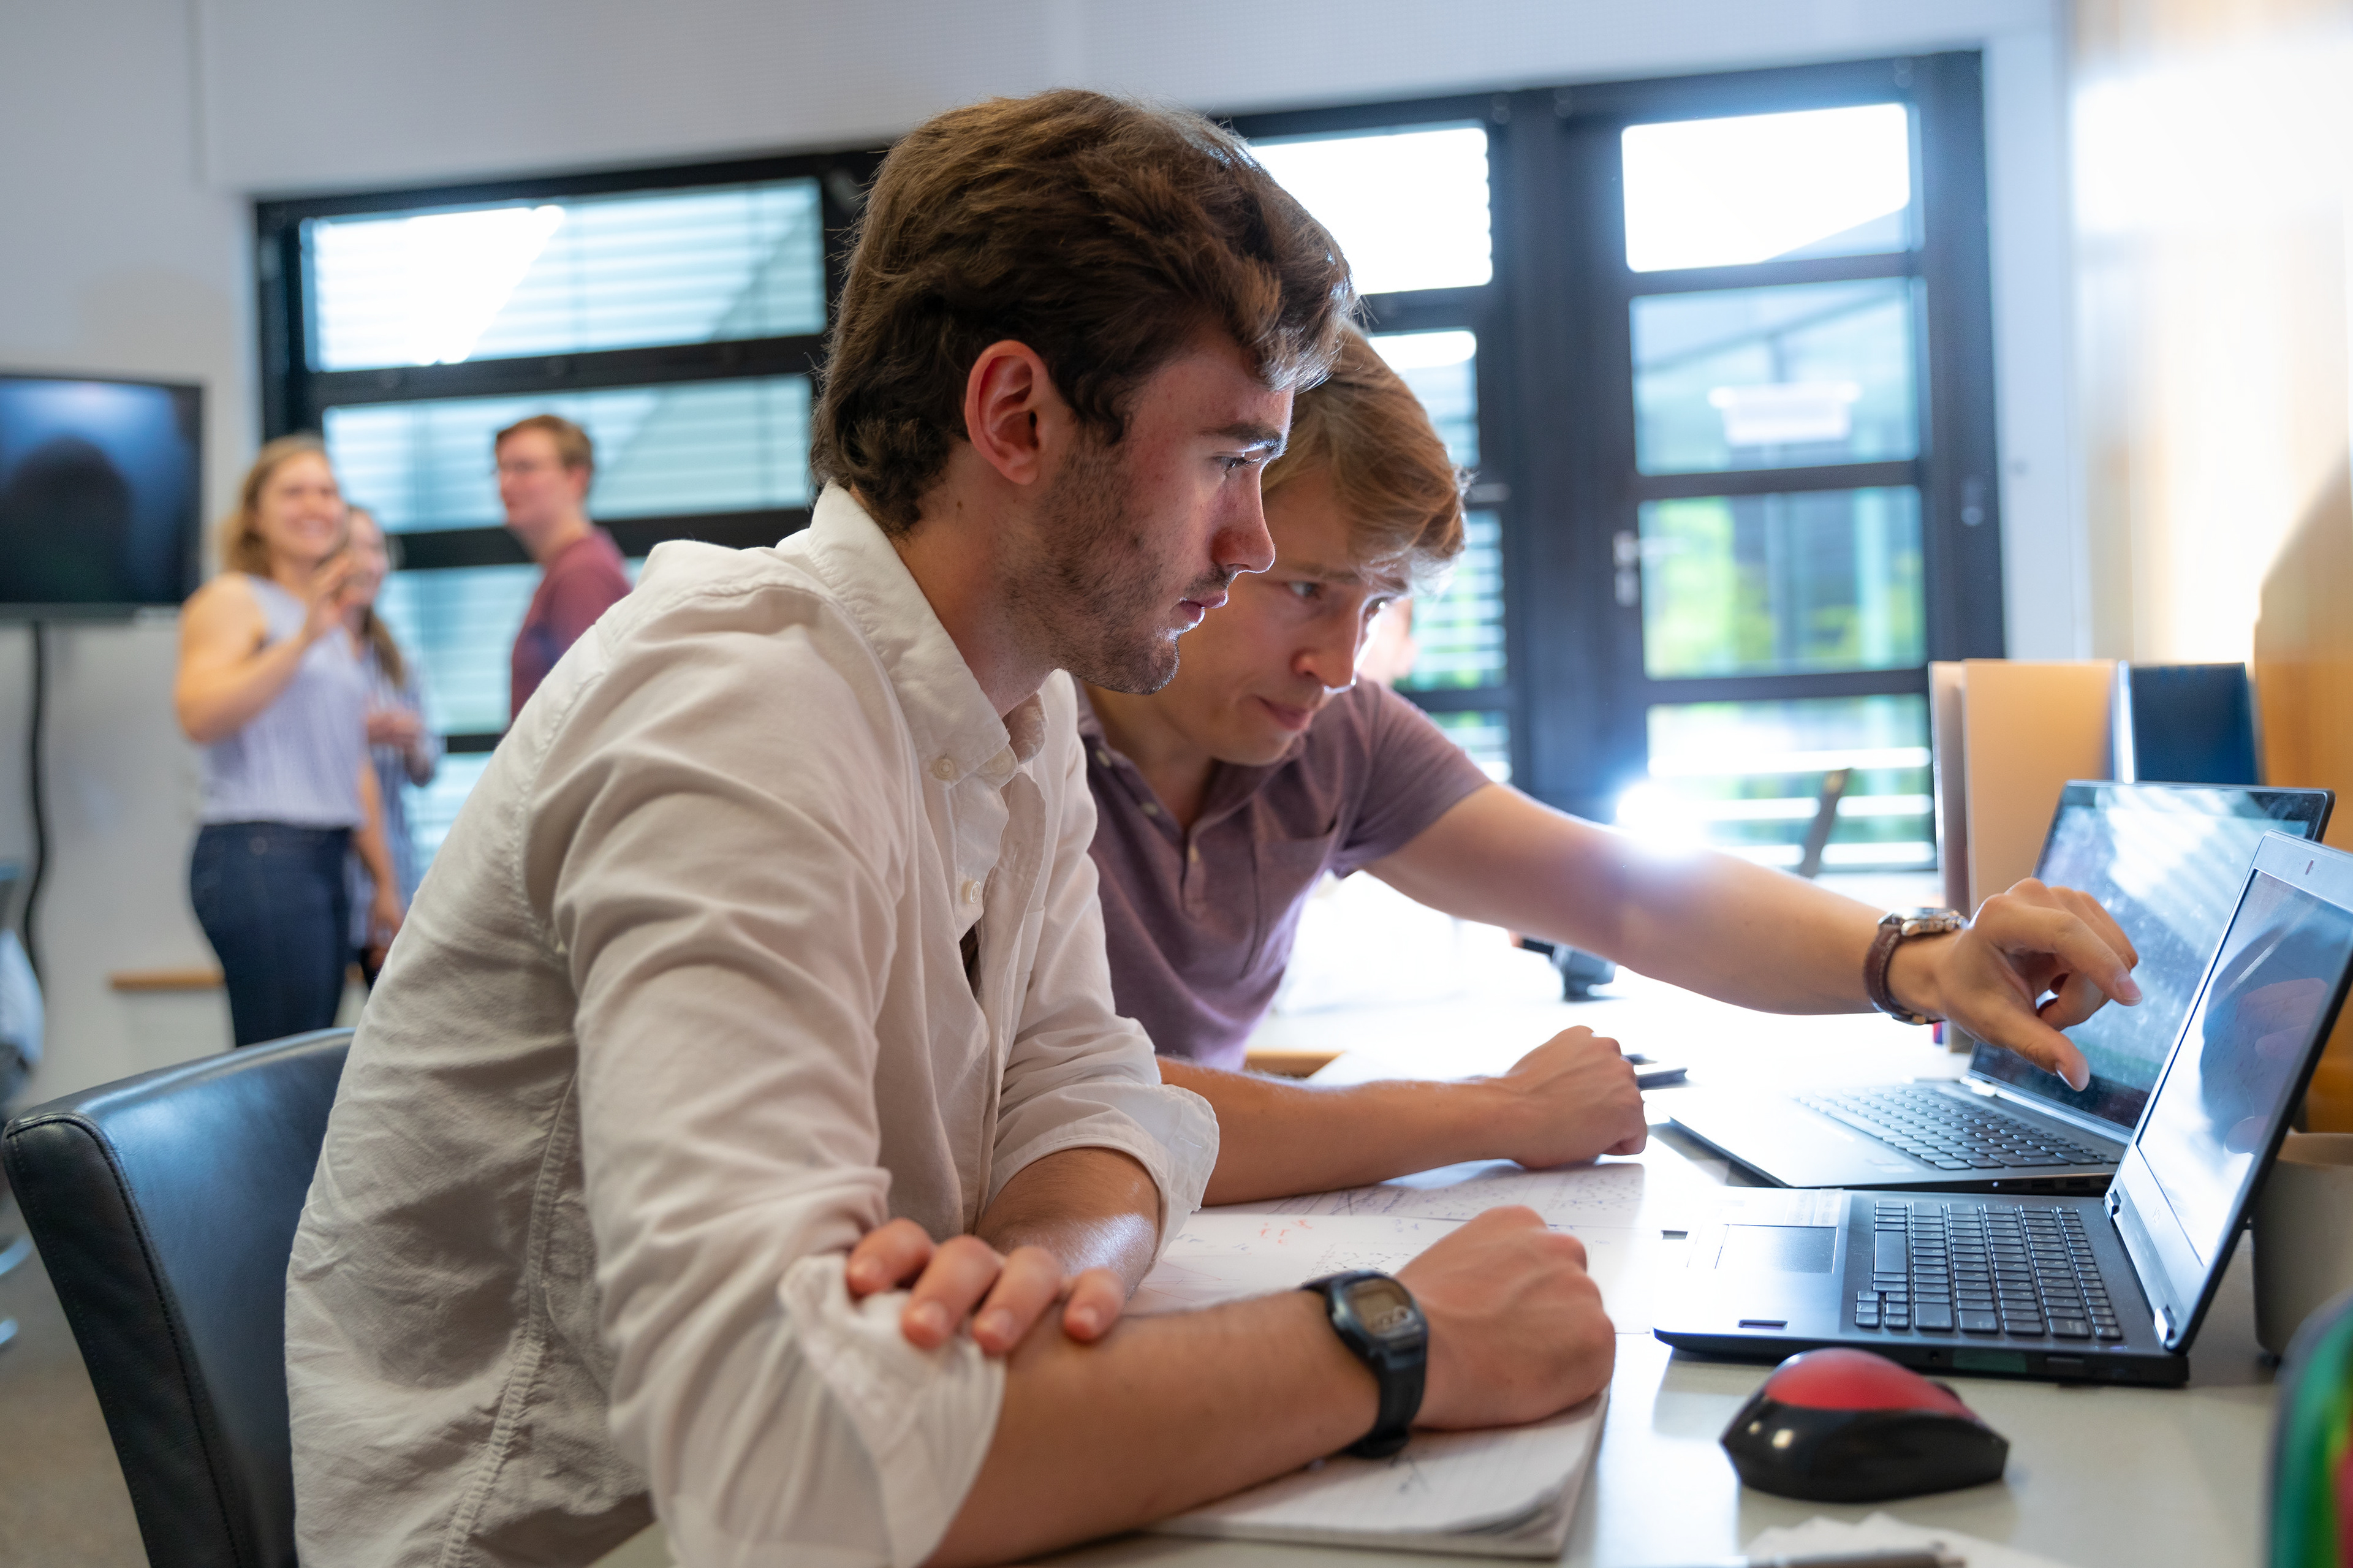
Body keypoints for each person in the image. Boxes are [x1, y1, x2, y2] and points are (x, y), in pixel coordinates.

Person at [285, 90, 1615, 1568]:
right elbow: (779, 1464)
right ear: (1016, 418)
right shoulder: (739, 705)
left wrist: (1044, 1268)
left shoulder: (1014, 706)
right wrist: (1395, 1340)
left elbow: (1084, 1088)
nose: (1250, 543)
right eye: (1231, 458)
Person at [1082, 328, 2145, 1205]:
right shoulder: (1017, 738)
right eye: (1309, 589)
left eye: (1378, 607)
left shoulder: (1334, 732)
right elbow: (1064, 1108)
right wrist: (1498, 1112)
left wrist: (1923, 964)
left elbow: (1630, 898)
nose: (1339, 663)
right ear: (1201, 524)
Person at [175, 437, 405, 1047]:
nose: (315, 505)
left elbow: (348, 759)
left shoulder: (331, 621)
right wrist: (301, 639)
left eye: (327, 491)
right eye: (294, 491)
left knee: (303, 1056)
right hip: (259, 851)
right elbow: (199, 715)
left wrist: (383, 882)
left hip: (325, 856)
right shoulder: (235, 600)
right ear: (255, 513)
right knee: (277, 1067)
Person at [340, 507, 441, 983]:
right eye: (352, 546)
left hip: (395, 872)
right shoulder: (309, 654)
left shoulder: (398, 660)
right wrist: (355, 733)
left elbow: (426, 770)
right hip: (330, 875)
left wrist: (411, 740)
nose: (367, 562)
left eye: (376, 548)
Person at [497, 412, 632, 720]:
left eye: (524, 468)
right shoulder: (568, 566)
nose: (505, 484)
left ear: (576, 478)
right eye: (501, 469)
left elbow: (593, 712)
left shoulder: (582, 574)